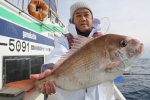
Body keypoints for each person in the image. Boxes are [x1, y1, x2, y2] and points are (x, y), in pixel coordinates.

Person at [31, 2, 115, 100]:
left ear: (92, 19)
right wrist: (50, 71)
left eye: (86, 14)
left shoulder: (103, 40)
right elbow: (56, 55)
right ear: (73, 20)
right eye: (78, 15)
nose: (83, 18)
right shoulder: (65, 39)